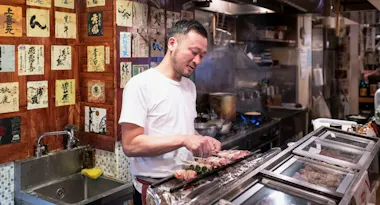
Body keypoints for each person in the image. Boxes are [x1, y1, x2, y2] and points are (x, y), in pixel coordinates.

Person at [118, 19, 222, 205]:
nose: (198, 61)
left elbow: (180, 129)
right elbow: (131, 145)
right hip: (154, 190)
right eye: (194, 52)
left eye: (202, 55)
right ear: (172, 43)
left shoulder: (189, 86)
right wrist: (183, 139)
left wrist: (201, 140)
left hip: (186, 182)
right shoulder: (140, 85)